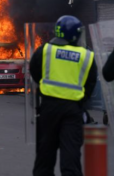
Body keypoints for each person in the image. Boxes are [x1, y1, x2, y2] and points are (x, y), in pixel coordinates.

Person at [29, 15, 98, 176]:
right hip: (73, 110)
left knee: (44, 158)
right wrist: (80, 99)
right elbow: (91, 83)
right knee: (71, 159)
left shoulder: (46, 50)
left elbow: (34, 70)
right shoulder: (85, 55)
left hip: (48, 108)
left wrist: (46, 87)